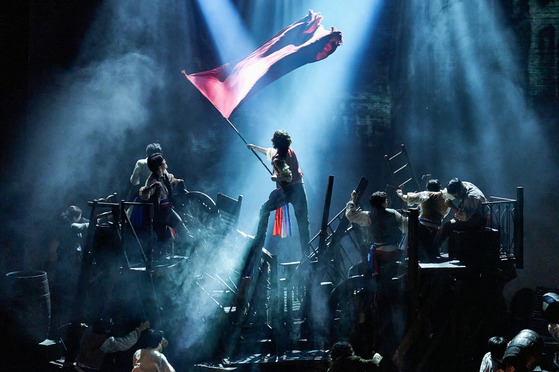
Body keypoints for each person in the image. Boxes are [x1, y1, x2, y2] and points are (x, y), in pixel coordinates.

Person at [246, 130, 310, 260]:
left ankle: (259, 238)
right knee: (303, 222)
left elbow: (287, 176)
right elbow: (269, 152)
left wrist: (275, 178)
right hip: (300, 188)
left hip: (288, 191)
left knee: (264, 209)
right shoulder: (289, 150)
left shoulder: (278, 159)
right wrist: (254, 148)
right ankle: (306, 254)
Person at [345, 190, 407, 280]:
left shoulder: (368, 216)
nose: (387, 202)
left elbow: (350, 215)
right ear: (383, 203)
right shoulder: (394, 213)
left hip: (378, 253)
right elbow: (406, 226)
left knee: (353, 271)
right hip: (393, 252)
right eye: (385, 201)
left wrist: (352, 200)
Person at [139, 153, 191, 255]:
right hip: (161, 213)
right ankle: (190, 245)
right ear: (159, 166)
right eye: (163, 161)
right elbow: (144, 195)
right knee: (180, 229)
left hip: (165, 211)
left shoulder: (165, 176)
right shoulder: (151, 180)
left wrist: (178, 181)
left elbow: (172, 181)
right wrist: (151, 187)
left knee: (164, 240)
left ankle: (162, 260)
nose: (165, 162)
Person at [396, 179, 450, 262]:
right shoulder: (444, 195)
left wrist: (400, 194)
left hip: (424, 224)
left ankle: (405, 252)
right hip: (437, 225)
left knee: (409, 223)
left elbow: (407, 198)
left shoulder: (426, 195)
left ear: (428, 188)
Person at [433, 178, 488, 255]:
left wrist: (452, 206)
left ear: (459, 190)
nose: (453, 196)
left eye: (454, 194)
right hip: (470, 215)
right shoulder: (464, 185)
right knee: (448, 226)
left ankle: (434, 250)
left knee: (447, 226)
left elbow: (464, 218)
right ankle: (443, 250)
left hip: (477, 221)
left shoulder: (471, 197)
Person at [75, 318, 150, 372]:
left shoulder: (88, 331)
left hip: (80, 365)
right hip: (90, 368)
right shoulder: (104, 342)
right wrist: (139, 329)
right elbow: (126, 343)